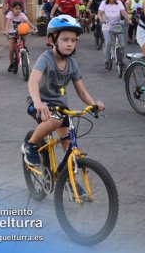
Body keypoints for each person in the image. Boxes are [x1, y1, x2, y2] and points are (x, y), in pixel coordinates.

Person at [21, 15, 105, 166]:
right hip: (39, 104)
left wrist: (93, 104)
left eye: (73, 40)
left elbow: (82, 92)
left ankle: (68, 178)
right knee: (55, 120)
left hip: (61, 108)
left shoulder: (72, 64)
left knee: (70, 147)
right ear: (52, 40)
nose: (70, 44)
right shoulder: (45, 59)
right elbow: (33, 80)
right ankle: (31, 144)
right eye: (65, 39)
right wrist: (38, 103)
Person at [98, 0, 130, 69]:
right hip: (107, 25)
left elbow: (123, 12)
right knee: (108, 42)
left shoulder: (119, 2)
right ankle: (107, 60)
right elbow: (99, 14)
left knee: (122, 44)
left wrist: (128, 19)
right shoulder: (103, 3)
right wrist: (101, 19)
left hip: (117, 25)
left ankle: (121, 61)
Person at [4, 1, 36, 72]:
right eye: (16, 8)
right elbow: (7, 23)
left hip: (20, 33)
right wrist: (6, 31)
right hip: (11, 33)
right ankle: (11, 63)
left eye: (19, 8)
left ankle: (23, 53)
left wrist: (34, 28)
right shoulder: (10, 14)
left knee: (21, 45)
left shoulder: (22, 15)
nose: (18, 10)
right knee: (11, 49)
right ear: (12, 9)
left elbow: (28, 22)